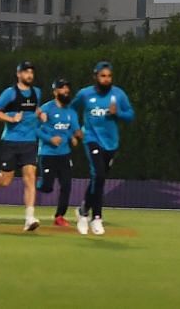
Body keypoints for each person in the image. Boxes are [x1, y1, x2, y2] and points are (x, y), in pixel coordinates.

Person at [74, 60, 135, 236]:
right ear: (96, 77)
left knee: (98, 178)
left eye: (109, 76)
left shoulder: (118, 95)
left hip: (111, 143)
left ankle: (83, 208)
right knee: (99, 174)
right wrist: (76, 129)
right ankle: (95, 217)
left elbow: (130, 115)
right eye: (103, 76)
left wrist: (118, 114)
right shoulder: (85, 94)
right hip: (91, 139)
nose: (106, 79)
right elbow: (70, 110)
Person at [0, 60, 44, 231]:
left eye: (31, 72)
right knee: (6, 181)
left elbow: (35, 109)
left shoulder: (37, 93)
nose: (29, 75)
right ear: (18, 74)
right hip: (10, 142)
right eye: (26, 72)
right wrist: (10, 119)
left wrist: (40, 114)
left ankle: (29, 218)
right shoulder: (10, 93)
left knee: (30, 176)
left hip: (30, 142)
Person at [35, 77, 84, 231]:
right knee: (47, 187)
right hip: (48, 154)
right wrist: (49, 139)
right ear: (55, 91)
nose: (66, 91)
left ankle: (59, 216)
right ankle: (35, 184)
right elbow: (35, 129)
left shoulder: (71, 111)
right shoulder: (46, 109)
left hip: (64, 154)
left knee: (67, 186)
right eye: (62, 88)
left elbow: (72, 129)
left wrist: (74, 137)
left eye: (67, 88)